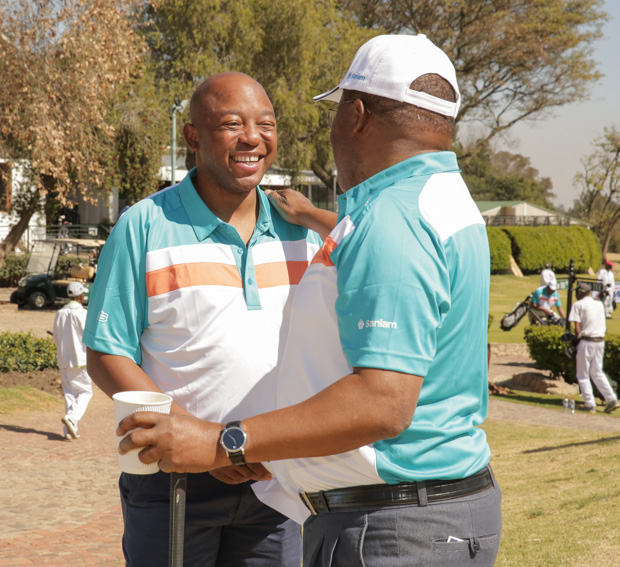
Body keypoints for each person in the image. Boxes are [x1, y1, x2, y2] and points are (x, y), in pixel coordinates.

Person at [117, 34, 502, 567]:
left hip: (391, 527)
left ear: (357, 116)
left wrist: (226, 441)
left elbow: (382, 403)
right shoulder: (446, 202)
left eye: (338, 109)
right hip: (421, 512)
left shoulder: (394, 220)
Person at [84, 72, 322, 566]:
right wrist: (204, 443)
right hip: (174, 481)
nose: (253, 138)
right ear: (193, 136)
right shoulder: (143, 225)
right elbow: (107, 353)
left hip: (278, 482)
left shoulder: (302, 231)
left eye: (266, 124)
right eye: (232, 124)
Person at [569, 282, 620, 413]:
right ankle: (612, 399)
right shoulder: (598, 304)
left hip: (587, 341)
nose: (575, 295)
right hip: (600, 341)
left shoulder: (578, 304)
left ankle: (590, 403)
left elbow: (577, 328)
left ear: (580, 292)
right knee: (597, 372)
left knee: (582, 374)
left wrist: (576, 340)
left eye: (576, 292)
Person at [53, 281, 94, 440]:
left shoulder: (60, 313)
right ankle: (72, 418)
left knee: (70, 393)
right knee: (85, 391)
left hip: (64, 359)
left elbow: (56, 337)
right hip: (80, 359)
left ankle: (69, 430)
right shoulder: (83, 313)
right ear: (81, 296)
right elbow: (89, 336)